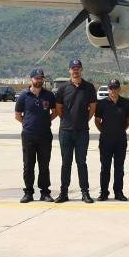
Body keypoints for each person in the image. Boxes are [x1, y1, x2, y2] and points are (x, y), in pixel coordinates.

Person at [54, 58, 97, 203]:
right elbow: (58, 108)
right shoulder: (63, 88)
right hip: (65, 132)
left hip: (82, 132)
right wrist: (67, 121)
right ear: (69, 71)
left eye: (78, 68)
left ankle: (85, 192)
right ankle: (64, 193)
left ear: (81, 70)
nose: (76, 70)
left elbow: (92, 107)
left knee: (81, 162)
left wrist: (84, 120)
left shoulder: (89, 87)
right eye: (73, 68)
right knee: (66, 163)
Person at [14, 68, 56, 203]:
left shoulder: (49, 95)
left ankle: (45, 192)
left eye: (41, 78)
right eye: (36, 78)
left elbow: (55, 112)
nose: (39, 81)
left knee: (44, 165)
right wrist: (27, 124)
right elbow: (17, 115)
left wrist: (45, 121)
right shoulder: (23, 96)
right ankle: (28, 192)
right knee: (28, 165)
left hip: (45, 135)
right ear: (31, 79)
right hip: (28, 136)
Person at [94, 79, 129, 201]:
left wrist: (120, 130)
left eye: (115, 88)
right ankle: (104, 192)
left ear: (119, 89)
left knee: (119, 167)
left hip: (120, 140)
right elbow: (97, 121)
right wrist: (105, 131)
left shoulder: (126, 103)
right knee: (105, 168)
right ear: (108, 89)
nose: (113, 90)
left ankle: (118, 192)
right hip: (106, 140)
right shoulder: (101, 103)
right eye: (111, 88)